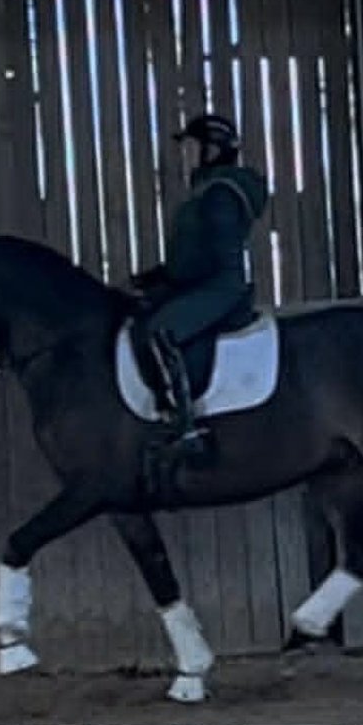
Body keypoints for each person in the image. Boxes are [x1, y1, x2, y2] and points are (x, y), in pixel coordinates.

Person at [131, 113, 269, 464]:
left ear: (212, 150)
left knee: (160, 332)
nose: (185, 155)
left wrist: (173, 282)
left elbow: (217, 257)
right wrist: (154, 279)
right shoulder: (205, 191)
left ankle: (185, 426)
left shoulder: (221, 195)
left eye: (191, 146)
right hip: (201, 283)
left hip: (220, 288)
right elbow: (191, 254)